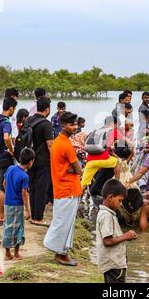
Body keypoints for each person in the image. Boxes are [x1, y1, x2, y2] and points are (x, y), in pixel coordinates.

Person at [44, 112, 83, 266]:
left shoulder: (57, 142)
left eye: (75, 124)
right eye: (71, 124)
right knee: (63, 223)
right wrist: (75, 169)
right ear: (63, 125)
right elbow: (79, 170)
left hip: (62, 187)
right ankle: (60, 252)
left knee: (63, 221)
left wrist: (73, 168)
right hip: (68, 189)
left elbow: (73, 167)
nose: (74, 127)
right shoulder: (66, 144)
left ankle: (62, 251)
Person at [96, 179, 137, 283]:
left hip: (113, 264)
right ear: (110, 197)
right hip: (114, 265)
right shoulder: (106, 216)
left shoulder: (108, 214)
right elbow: (107, 241)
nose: (121, 204)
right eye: (119, 200)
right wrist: (126, 236)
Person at [2, 148, 34, 260]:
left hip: (7, 202)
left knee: (8, 226)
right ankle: (15, 253)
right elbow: (24, 194)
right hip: (17, 204)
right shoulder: (24, 176)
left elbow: (4, 183)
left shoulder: (11, 168)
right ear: (30, 162)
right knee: (18, 227)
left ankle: (7, 252)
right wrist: (27, 210)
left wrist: (9, 193)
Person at [27, 96, 54, 226]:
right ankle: (38, 218)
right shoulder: (46, 124)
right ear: (47, 109)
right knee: (42, 189)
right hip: (43, 161)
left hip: (30, 160)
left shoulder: (29, 120)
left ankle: (33, 215)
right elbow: (50, 145)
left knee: (32, 188)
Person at [0, 97, 18, 227]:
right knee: (3, 187)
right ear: (11, 108)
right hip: (4, 157)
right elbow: (6, 137)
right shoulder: (6, 122)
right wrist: (11, 149)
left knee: (0, 185)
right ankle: (1, 217)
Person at [81, 116, 123, 187]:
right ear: (115, 124)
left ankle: (73, 196)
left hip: (90, 161)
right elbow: (124, 141)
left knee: (83, 184)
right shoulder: (112, 130)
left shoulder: (95, 131)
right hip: (103, 159)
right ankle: (117, 184)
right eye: (117, 126)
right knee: (117, 162)